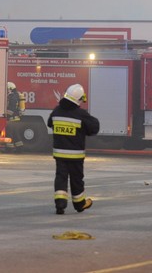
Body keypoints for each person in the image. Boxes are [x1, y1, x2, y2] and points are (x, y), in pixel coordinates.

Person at [47, 83, 100, 215]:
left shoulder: (56, 111)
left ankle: (60, 204)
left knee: (61, 178)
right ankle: (79, 204)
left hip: (60, 155)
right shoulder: (81, 114)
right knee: (76, 179)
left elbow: (49, 123)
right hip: (75, 156)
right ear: (78, 99)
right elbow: (94, 128)